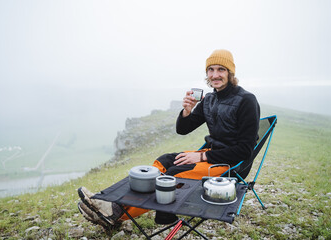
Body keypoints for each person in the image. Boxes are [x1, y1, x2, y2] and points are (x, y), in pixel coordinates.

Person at [77, 49, 260, 229]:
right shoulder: (210, 99)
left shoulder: (246, 100)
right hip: (212, 154)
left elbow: (245, 150)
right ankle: (112, 204)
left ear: (230, 72)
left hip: (232, 164)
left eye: (221, 69)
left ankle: (115, 213)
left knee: (172, 174)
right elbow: (183, 129)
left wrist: (202, 157)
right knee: (164, 161)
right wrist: (186, 112)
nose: (215, 75)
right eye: (211, 70)